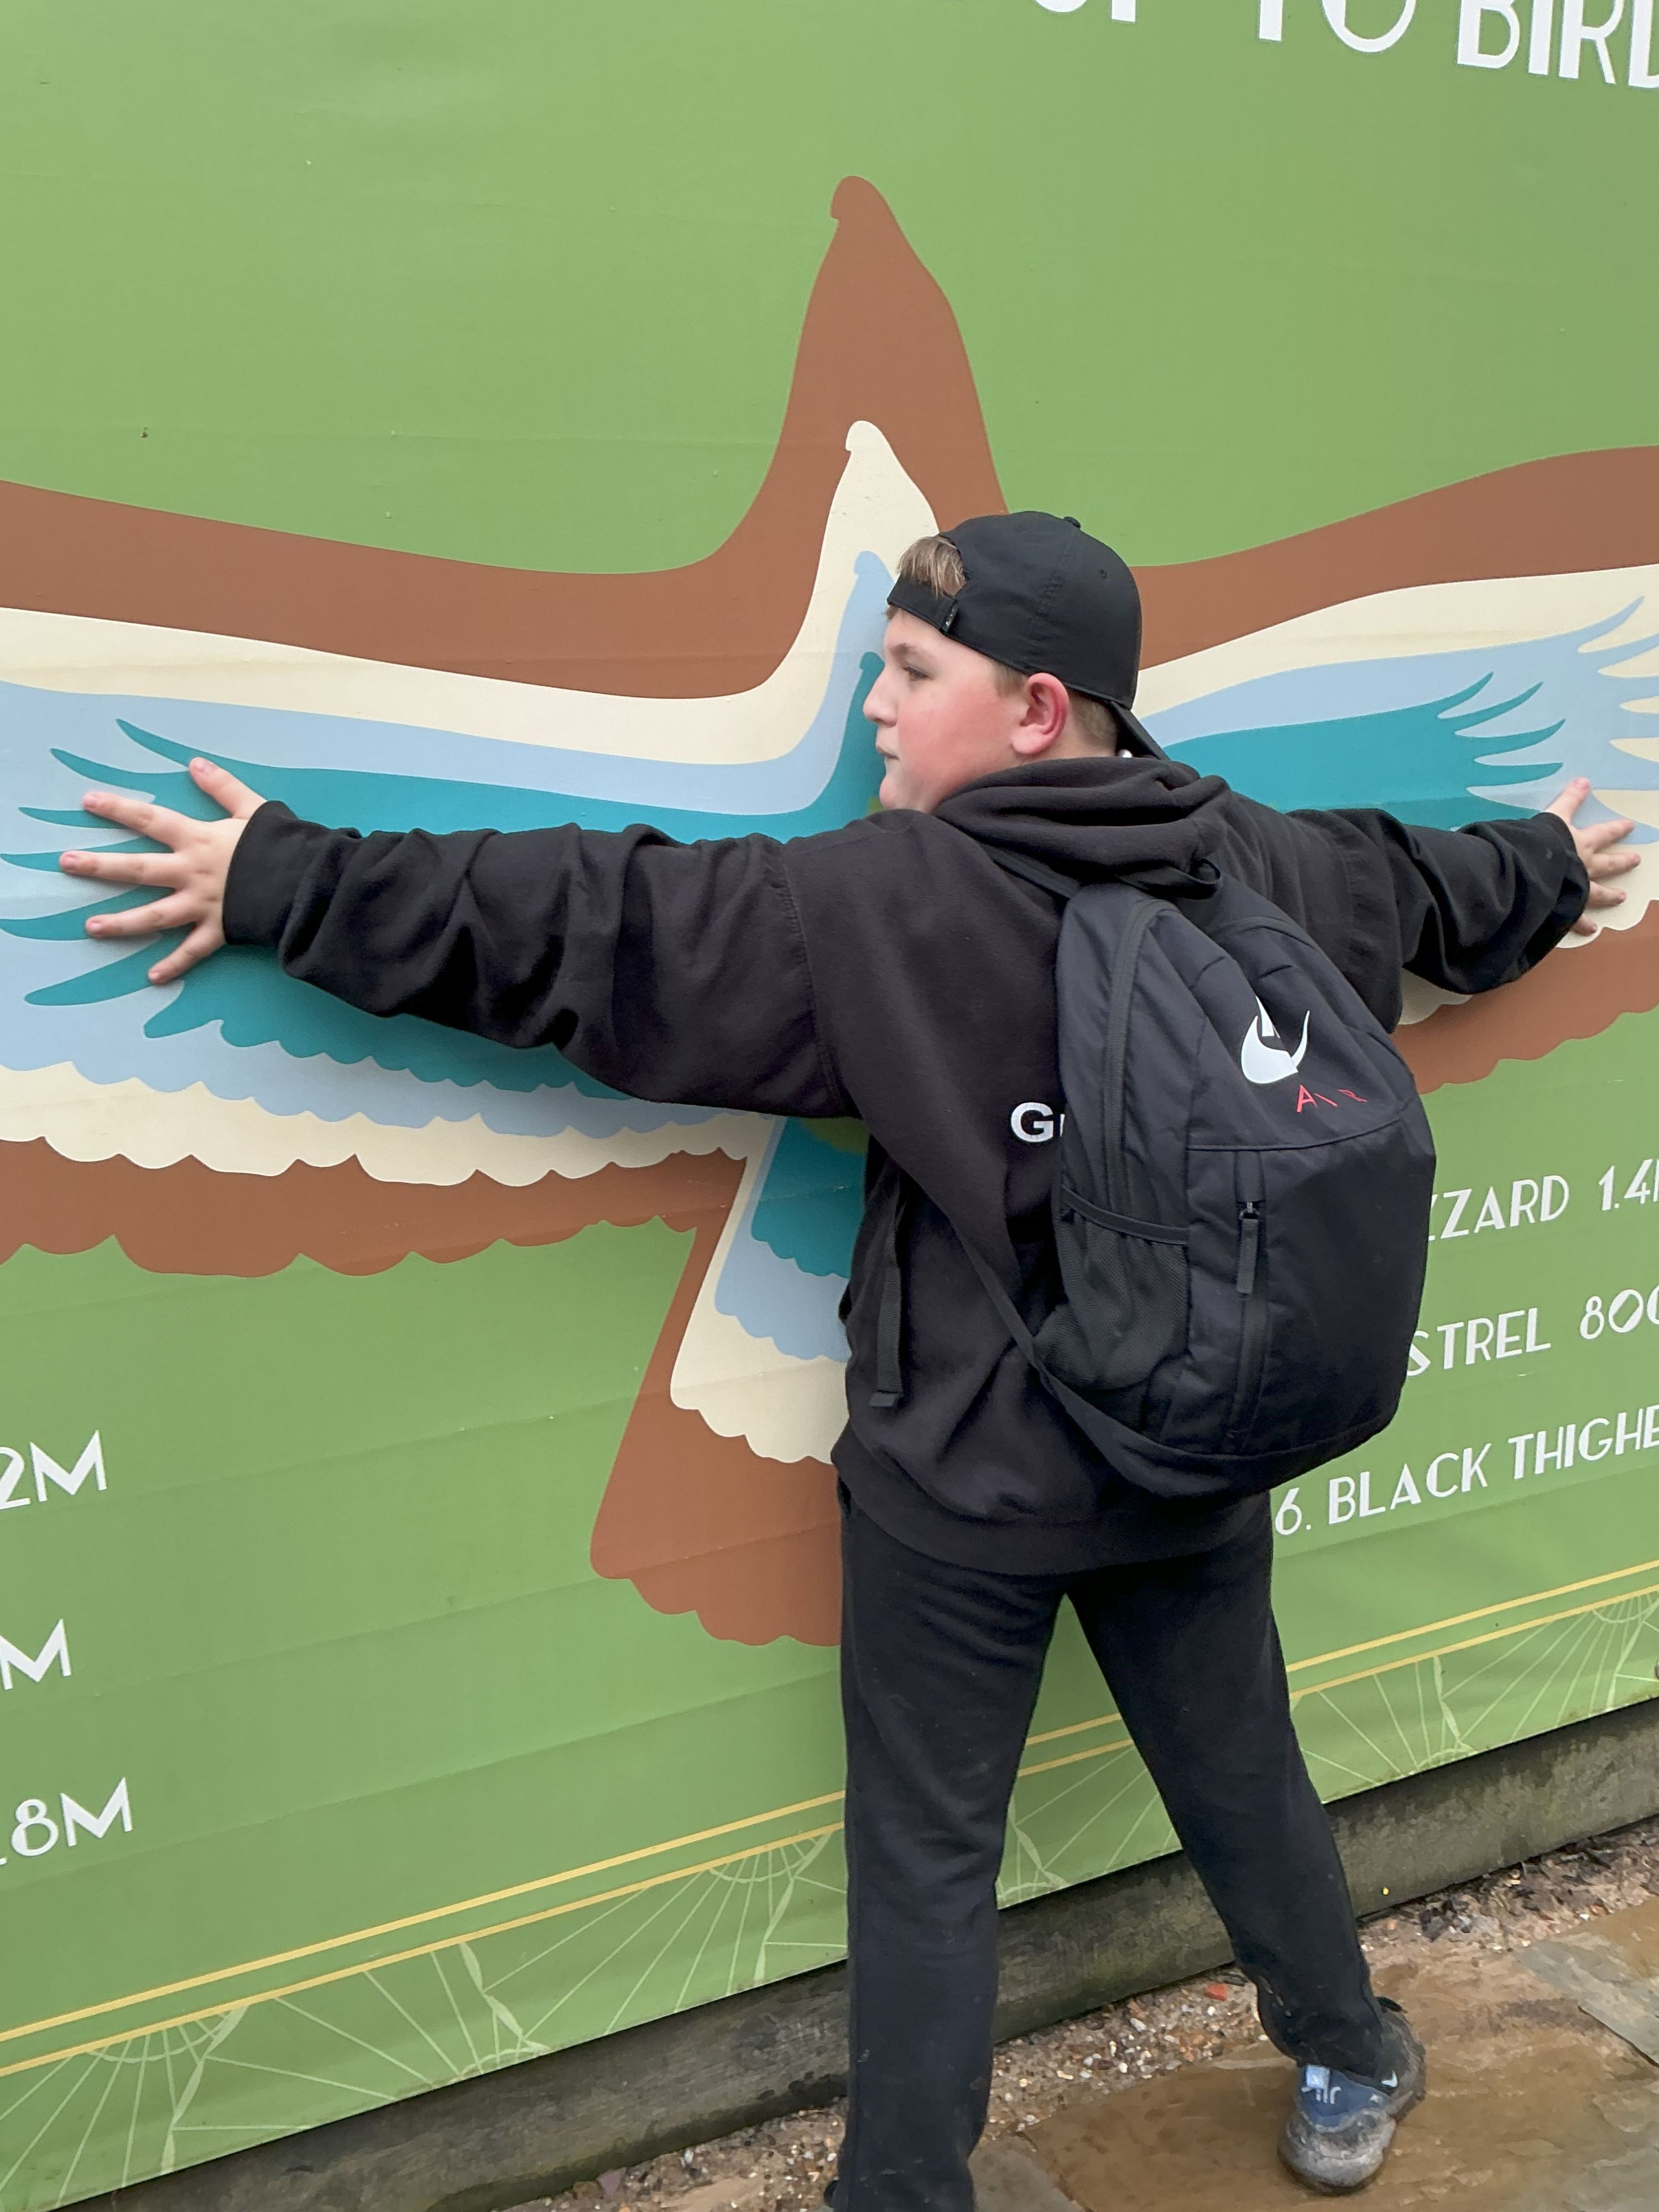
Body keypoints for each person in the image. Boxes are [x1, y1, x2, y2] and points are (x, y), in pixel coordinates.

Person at [60, 513, 1635, 2201]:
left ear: (1037, 709)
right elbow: (1431, 885)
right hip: (1194, 1455)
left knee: (929, 1859)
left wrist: (283, 877)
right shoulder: (1256, 858)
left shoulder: (882, 910)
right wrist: (1554, 859)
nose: (874, 705)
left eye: (909, 671)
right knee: (1242, 1774)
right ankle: (1348, 2051)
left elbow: (590, 924)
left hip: (964, 1487)